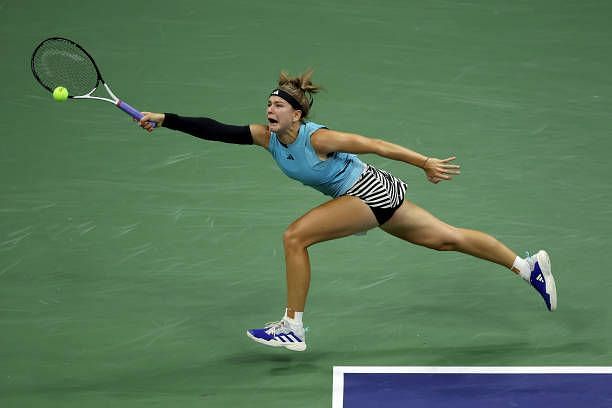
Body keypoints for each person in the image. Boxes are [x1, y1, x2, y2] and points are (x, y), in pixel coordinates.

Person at [138, 69, 557, 352]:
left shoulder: (320, 139)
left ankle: (293, 326)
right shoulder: (267, 138)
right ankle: (527, 266)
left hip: (369, 192)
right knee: (447, 239)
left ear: (297, 114)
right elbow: (214, 129)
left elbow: (376, 145)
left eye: (278, 106)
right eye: (268, 104)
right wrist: (164, 118)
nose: (270, 110)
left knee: (294, 237)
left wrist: (424, 161)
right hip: (377, 195)